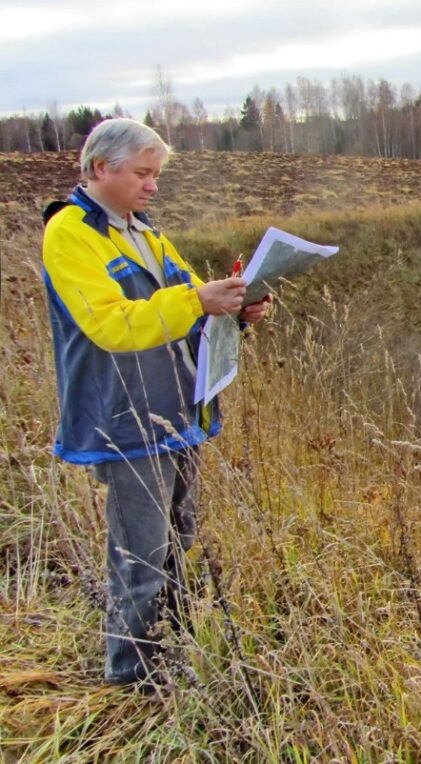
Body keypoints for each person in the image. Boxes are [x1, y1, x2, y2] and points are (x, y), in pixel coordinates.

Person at [41, 118, 271, 692]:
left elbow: (190, 305)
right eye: (143, 173)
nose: (153, 185)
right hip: (123, 417)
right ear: (101, 168)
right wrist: (198, 300)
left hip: (175, 409)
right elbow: (111, 325)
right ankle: (133, 680)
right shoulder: (70, 234)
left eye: (156, 174)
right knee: (140, 555)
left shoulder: (145, 232)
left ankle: (169, 652)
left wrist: (235, 309)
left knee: (177, 540)